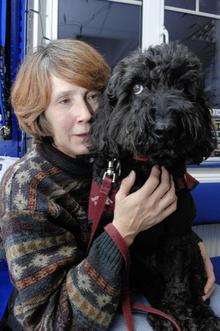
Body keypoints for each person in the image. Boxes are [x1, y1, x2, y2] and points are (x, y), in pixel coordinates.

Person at [0, 39, 219, 331]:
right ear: (40, 115)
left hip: (139, 293)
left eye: (93, 96)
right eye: (65, 101)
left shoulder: (126, 153)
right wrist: (123, 231)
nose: (87, 114)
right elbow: (49, 321)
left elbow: (167, 231)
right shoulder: (28, 188)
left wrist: (192, 245)